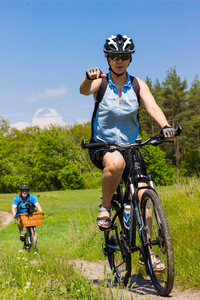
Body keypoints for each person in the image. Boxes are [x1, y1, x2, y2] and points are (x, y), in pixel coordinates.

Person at [80, 34, 175, 271]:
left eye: (124, 56)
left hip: (131, 146)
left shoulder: (138, 84)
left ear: (130, 59)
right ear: (107, 58)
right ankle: (105, 205)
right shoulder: (99, 82)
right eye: (114, 56)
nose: (119, 60)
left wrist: (165, 127)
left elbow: (152, 106)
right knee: (116, 162)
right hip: (102, 147)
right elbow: (83, 91)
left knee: (145, 194)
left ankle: (148, 252)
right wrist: (86, 77)